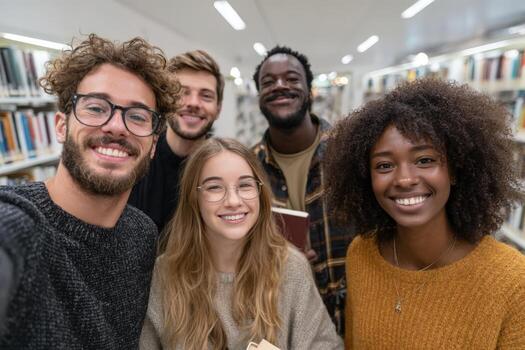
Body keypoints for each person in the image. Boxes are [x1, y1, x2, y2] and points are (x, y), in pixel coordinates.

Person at [0, 34, 180, 349]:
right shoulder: (17, 225)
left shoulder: (142, 234)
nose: (116, 126)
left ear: (153, 145)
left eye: (137, 116)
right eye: (96, 108)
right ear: (61, 125)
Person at [324, 78, 525, 349]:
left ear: (455, 169)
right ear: (365, 178)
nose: (405, 179)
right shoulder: (361, 254)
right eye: (384, 165)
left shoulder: (511, 280)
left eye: (425, 160)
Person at [139, 138, 342, 350]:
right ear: (194, 198)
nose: (233, 201)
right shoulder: (165, 274)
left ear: (260, 194)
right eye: (215, 187)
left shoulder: (291, 268)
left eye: (245, 185)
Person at [251, 45, 352, 333]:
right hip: (282, 321)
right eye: (268, 82)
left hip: (355, 320)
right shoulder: (247, 169)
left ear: (309, 89)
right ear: (259, 95)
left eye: (292, 79)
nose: (280, 86)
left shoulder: (350, 152)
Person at [129, 49, 223, 238]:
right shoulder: (135, 159)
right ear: (165, 101)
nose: (193, 103)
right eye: (182, 92)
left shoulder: (224, 168)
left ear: (218, 109)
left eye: (206, 96)